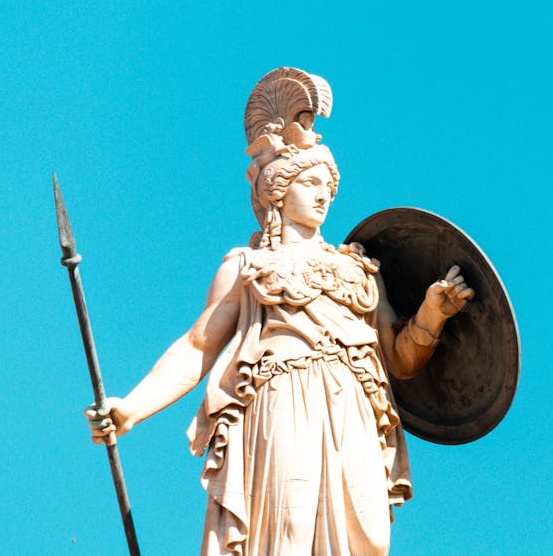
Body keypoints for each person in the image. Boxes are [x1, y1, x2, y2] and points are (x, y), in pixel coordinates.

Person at [85, 68, 473, 555]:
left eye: (328, 185)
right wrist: (132, 408)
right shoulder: (248, 267)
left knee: (369, 538)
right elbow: (198, 345)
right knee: (286, 531)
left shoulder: (360, 271)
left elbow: (399, 361)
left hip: (352, 401)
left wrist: (431, 317)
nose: (322, 194)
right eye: (309, 182)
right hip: (283, 396)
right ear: (277, 192)